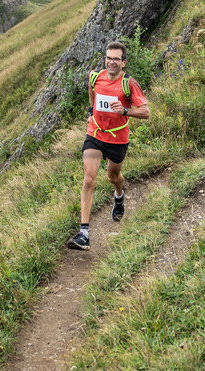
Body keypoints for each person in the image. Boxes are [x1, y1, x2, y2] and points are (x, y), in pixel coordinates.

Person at [67, 40, 149, 250]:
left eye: (116, 59)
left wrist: (124, 111)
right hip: (95, 133)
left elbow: (145, 112)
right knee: (89, 179)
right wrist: (91, 112)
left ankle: (119, 196)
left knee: (113, 177)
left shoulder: (129, 83)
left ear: (123, 62)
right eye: (108, 58)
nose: (111, 62)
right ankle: (84, 233)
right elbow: (91, 91)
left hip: (117, 138)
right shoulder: (96, 76)